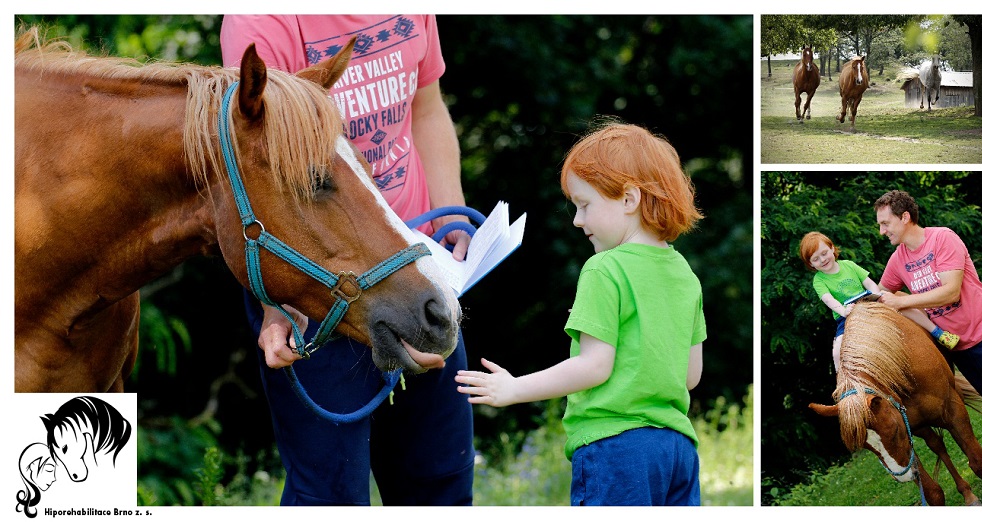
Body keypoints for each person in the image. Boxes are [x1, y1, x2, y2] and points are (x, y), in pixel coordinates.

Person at [220, 15, 475, 505]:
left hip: (416, 272)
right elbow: (258, 169)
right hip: (322, 290)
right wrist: (277, 306)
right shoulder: (262, 20)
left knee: (441, 487)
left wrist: (450, 222)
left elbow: (426, 108)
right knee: (333, 498)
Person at [455, 122, 705, 506]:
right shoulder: (685, 274)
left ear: (628, 199)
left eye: (585, 205)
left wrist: (515, 388)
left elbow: (594, 367)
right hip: (678, 452)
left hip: (615, 449)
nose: (577, 220)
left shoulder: (604, 269)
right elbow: (690, 377)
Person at [874, 190, 982, 397]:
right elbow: (879, 294)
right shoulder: (898, 259)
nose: (882, 231)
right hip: (959, 349)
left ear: (905, 217)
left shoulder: (942, 239)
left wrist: (901, 302)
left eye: (885, 223)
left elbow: (951, 292)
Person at [799, 231, 959, 374]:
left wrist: (877, 295)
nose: (823, 259)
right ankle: (843, 381)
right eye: (816, 259)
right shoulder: (819, 280)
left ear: (832, 248)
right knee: (837, 350)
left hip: (866, 300)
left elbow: (868, 283)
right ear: (811, 264)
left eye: (824, 253)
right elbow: (829, 299)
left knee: (903, 305)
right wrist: (843, 311)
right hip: (847, 314)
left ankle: (938, 333)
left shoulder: (848, 265)